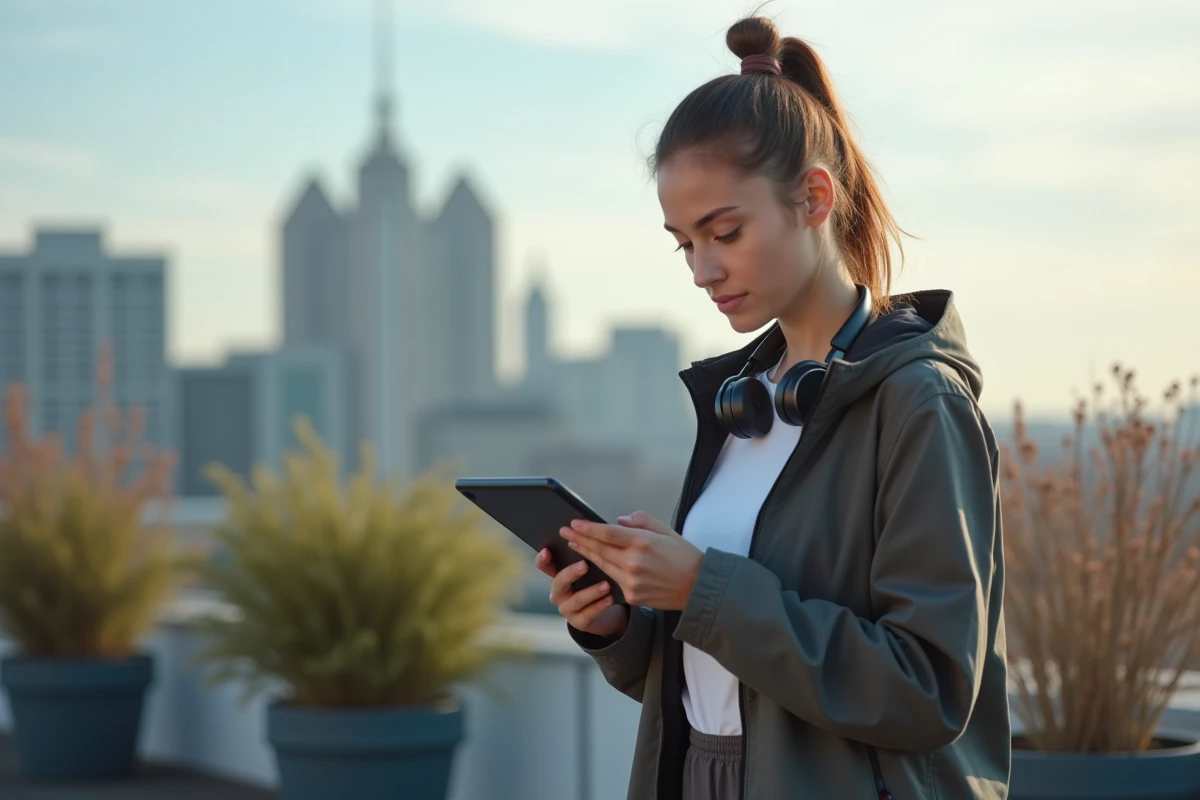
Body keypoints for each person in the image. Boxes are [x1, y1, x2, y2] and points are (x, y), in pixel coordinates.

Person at [533, 13, 1010, 800]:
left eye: (724, 231)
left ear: (814, 197)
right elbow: (733, 673)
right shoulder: (740, 404)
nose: (701, 269)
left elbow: (930, 688)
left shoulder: (918, 402)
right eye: (684, 242)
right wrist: (623, 624)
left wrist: (705, 589)